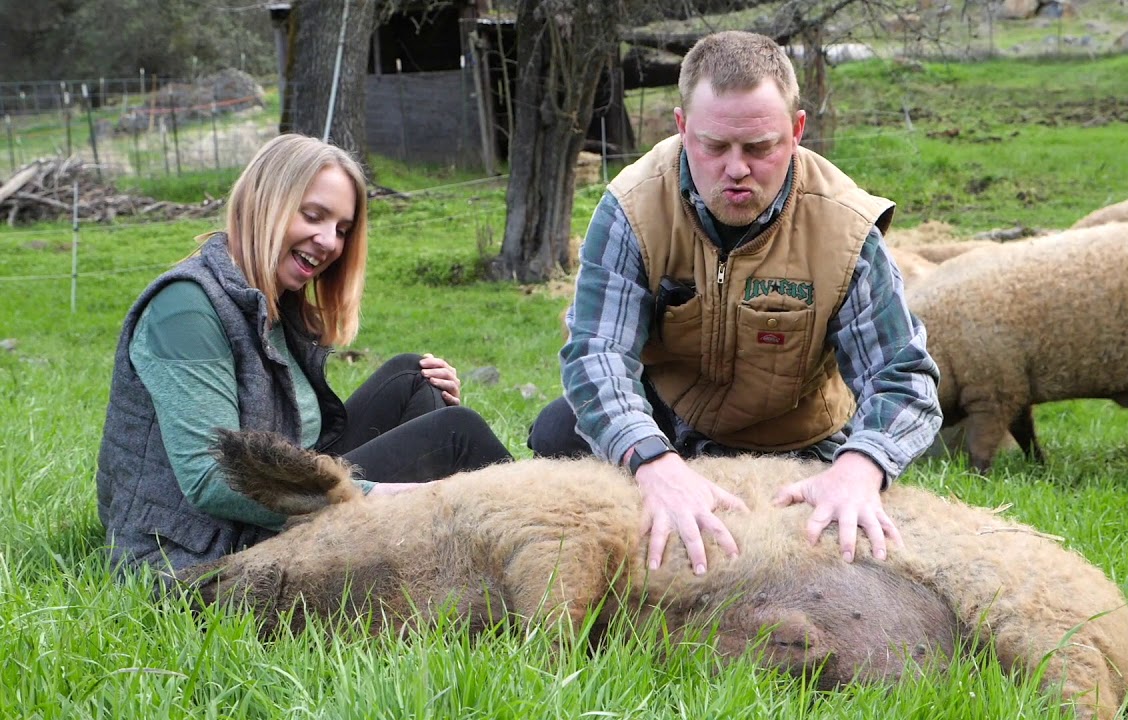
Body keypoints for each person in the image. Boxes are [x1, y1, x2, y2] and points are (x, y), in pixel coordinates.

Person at [528, 31, 941, 576]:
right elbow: (595, 354)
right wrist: (653, 462)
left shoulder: (845, 228)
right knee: (558, 433)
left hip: (793, 443)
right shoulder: (631, 208)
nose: (737, 169)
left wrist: (861, 466)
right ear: (681, 127)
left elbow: (903, 376)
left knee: (816, 566)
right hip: (669, 421)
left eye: (759, 147)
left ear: (795, 132)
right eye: (714, 146)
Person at [97, 133, 512, 576]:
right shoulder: (184, 306)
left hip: (267, 508)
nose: (329, 241)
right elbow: (209, 480)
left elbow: (300, 445)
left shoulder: (275, 301)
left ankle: (463, 554)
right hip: (205, 548)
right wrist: (373, 495)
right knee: (456, 434)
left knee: (414, 377)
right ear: (263, 201)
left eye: (342, 230)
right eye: (313, 216)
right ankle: (551, 539)